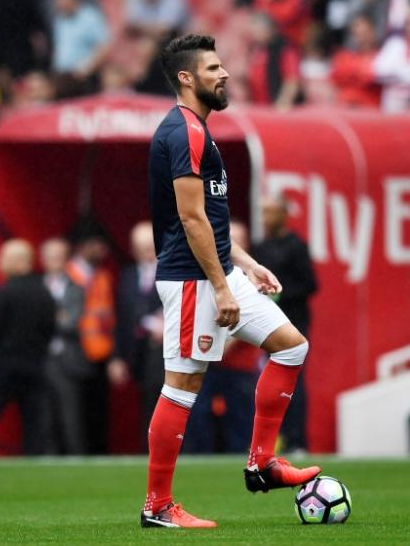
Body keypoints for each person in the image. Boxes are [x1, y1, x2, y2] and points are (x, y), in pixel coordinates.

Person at [141, 34, 320, 529]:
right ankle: (157, 506)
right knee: (182, 386)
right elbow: (191, 220)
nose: (224, 75)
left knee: (291, 346)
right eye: (213, 67)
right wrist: (222, 285)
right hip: (193, 280)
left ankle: (261, 463)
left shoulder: (201, 130)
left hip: (219, 271)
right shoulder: (184, 133)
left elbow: (211, 222)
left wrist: (245, 263)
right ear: (187, 77)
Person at [0, 240, 56, 456]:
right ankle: (36, 471)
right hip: (35, 366)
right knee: (35, 426)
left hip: (4, 366)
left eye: (3, 258)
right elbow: (50, 329)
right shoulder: (44, 292)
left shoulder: (5, 291)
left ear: (18, 262)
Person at [185, 221, 262, 454]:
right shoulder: (204, 271)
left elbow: (258, 316)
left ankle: (241, 463)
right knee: (199, 415)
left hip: (239, 363)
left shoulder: (254, 275)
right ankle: (199, 463)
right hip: (206, 361)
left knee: (240, 419)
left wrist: (223, 345)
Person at [253, 196, 318, 453]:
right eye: (263, 213)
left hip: (295, 323)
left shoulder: (296, 247)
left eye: (270, 212)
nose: (265, 218)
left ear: (283, 214)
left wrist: (279, 292)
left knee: (294, 382)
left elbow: (310, 284)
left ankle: (297, 440)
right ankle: (274, 439)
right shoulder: (261, 248)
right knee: (272, 381)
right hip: (269, 325)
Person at [110, 222, 164, 439]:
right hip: (139, 356)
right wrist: (117, 357)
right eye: (139, 247)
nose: (145, 252)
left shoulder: (174, 273)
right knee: (147, 409)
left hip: (168, 353)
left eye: (148, 246)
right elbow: (120, 319)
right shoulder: (127, 276)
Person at [66, 228, 116, 454]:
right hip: (74, 353)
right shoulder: (69, 276)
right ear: (83, 246)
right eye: (98, 244)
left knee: (98, 411)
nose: (103, 250)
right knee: (75, 409)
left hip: (99, 352)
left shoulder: (102, 275)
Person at [40, 238, 88, 455]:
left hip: (67, 361)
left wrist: (47, 318)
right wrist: (57, 316)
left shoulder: (76, 288)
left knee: (71, 416)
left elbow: (71, 323)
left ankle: (76, 458)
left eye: (59, 258)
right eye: (51, 258)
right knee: (45, 416)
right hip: (41, 360)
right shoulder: (38, 286)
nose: (55, 262)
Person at [51, 0, 111, 98]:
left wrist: (87, 67)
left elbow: (104, 47)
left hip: (82, 78)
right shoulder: (59, 19)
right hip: (62, 77)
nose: (58, 3)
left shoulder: (90, 17)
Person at [246, 13, 301, 110]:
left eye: (257, 30)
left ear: (268, 29)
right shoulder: (256, 48)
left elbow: (292, 80)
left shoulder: (285, 49)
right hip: (258, 107)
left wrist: (282, 104)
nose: (253, 35)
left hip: (275, 108)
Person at [330, 13, 381, 109]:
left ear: (372, 32)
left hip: (370, 109)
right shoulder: (343, 55)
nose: (360, 38)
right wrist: (360, 69)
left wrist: (353, 72)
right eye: (356, 34)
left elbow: (370, 76)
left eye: (364, 33)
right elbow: (336, 76)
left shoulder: (382, 56)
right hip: (345, 108)